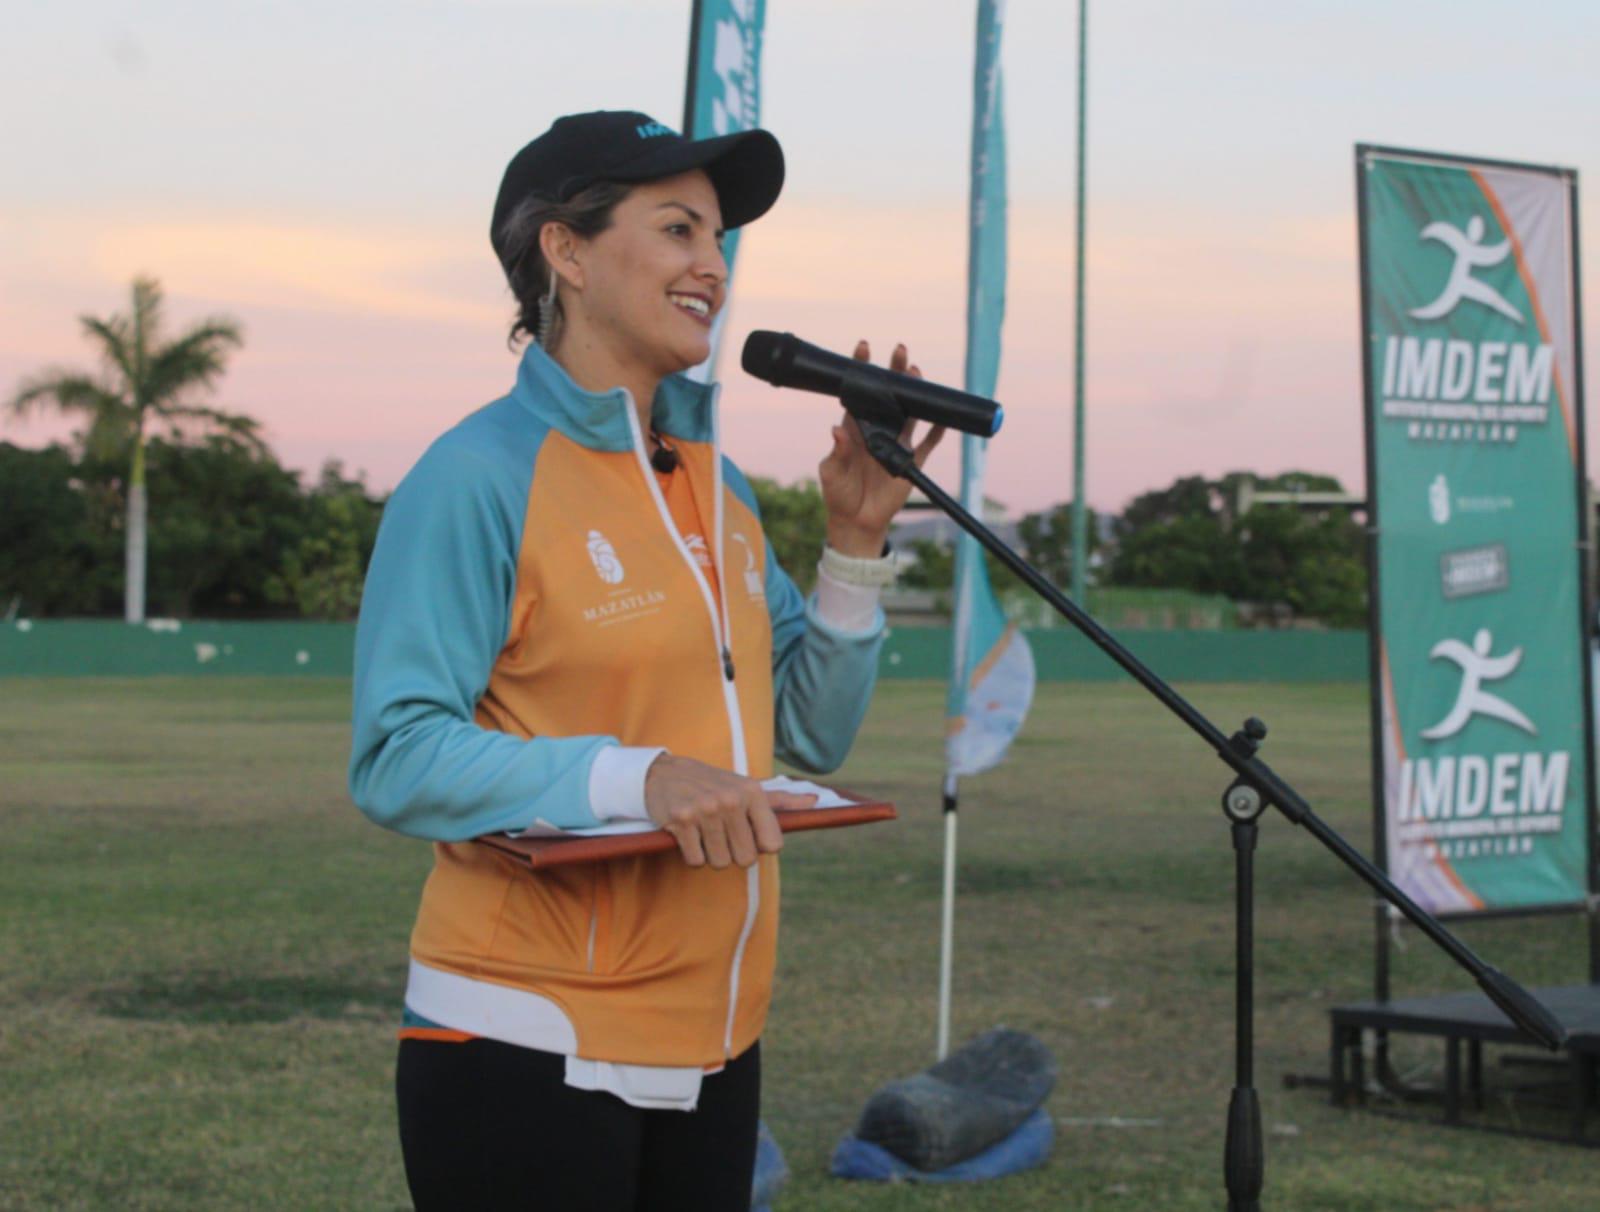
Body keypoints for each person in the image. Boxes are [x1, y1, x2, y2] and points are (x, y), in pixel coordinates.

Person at [348, 110, 943, 1211]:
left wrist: (855, 549)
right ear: (563, 253)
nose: (709, 268)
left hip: (717, 1032)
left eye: (716, 241)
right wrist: (638, 777)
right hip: (525, 1034)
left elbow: (801, 736)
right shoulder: (475, 476)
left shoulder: (717, 488)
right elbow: (396, 753)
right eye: (676, 230)